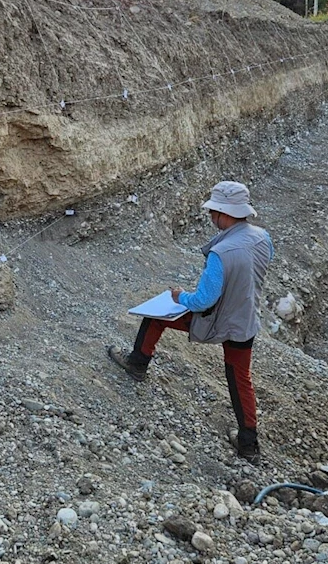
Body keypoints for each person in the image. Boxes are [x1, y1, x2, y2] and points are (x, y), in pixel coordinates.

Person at [109, 180, 273, 465]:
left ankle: (137, 363)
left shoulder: (220, 253)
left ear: (225, 213)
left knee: (155, 315)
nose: (210, 217)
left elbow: (202, 302)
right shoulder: (262, 238)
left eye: (213, 212)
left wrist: (179, 296)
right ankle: (248, 445)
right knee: (239, 378)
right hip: (246, 319)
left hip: (217, 318)